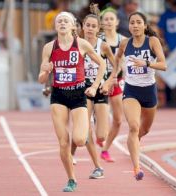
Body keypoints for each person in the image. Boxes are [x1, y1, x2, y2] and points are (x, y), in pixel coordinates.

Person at [38, 11, 106, 192]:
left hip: (78, 95)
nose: (61, 23)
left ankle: (84, 136)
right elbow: (41, 77)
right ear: (55, 26)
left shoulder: (81, 44)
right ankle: (71, 179)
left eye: (65, 21)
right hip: (58, 95)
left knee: (80, 139)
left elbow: (102, 64)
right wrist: (45, 72)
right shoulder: (49, 47)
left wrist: (95, 86)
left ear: (73, 26)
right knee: (63, 142)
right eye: (59, 21)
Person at [115, 12, 166, 180]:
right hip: (131, 90)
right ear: (128, 26)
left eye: (138, 22)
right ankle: (137, 167)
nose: (135, 25)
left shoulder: (152, 41)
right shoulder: (124, 43)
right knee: (133, 127)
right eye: (132, 23)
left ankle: (134, 143)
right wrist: (114, 76)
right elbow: (116, 60)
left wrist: (147, 63)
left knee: (144, 129)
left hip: (149, 90)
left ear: (144, 26)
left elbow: (163, 65)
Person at [70, 4, 117, 178]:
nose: (89, 29)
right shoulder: (78, 44)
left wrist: (109, 82)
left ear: (98, 30)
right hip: (84, 88)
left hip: (101, 89)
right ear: (82, 27)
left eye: (93, 26)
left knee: (101, 135)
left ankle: (100, 119)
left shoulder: (103, 46)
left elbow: (115, 65)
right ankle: (95, 166)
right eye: (87, 26)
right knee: (85, 127)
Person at [99, 8, 126, 162]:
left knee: (118, 119)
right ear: (101, 23)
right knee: (98, 115)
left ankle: (105, 149)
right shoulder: (98, 40)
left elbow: (123, 62)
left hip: (116, 81)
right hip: (100, 81)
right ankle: (99, 133)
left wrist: (116, 75)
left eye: (111, 19)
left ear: (117, 22)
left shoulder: (123, 40)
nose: (109, 22)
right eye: (106, 19)